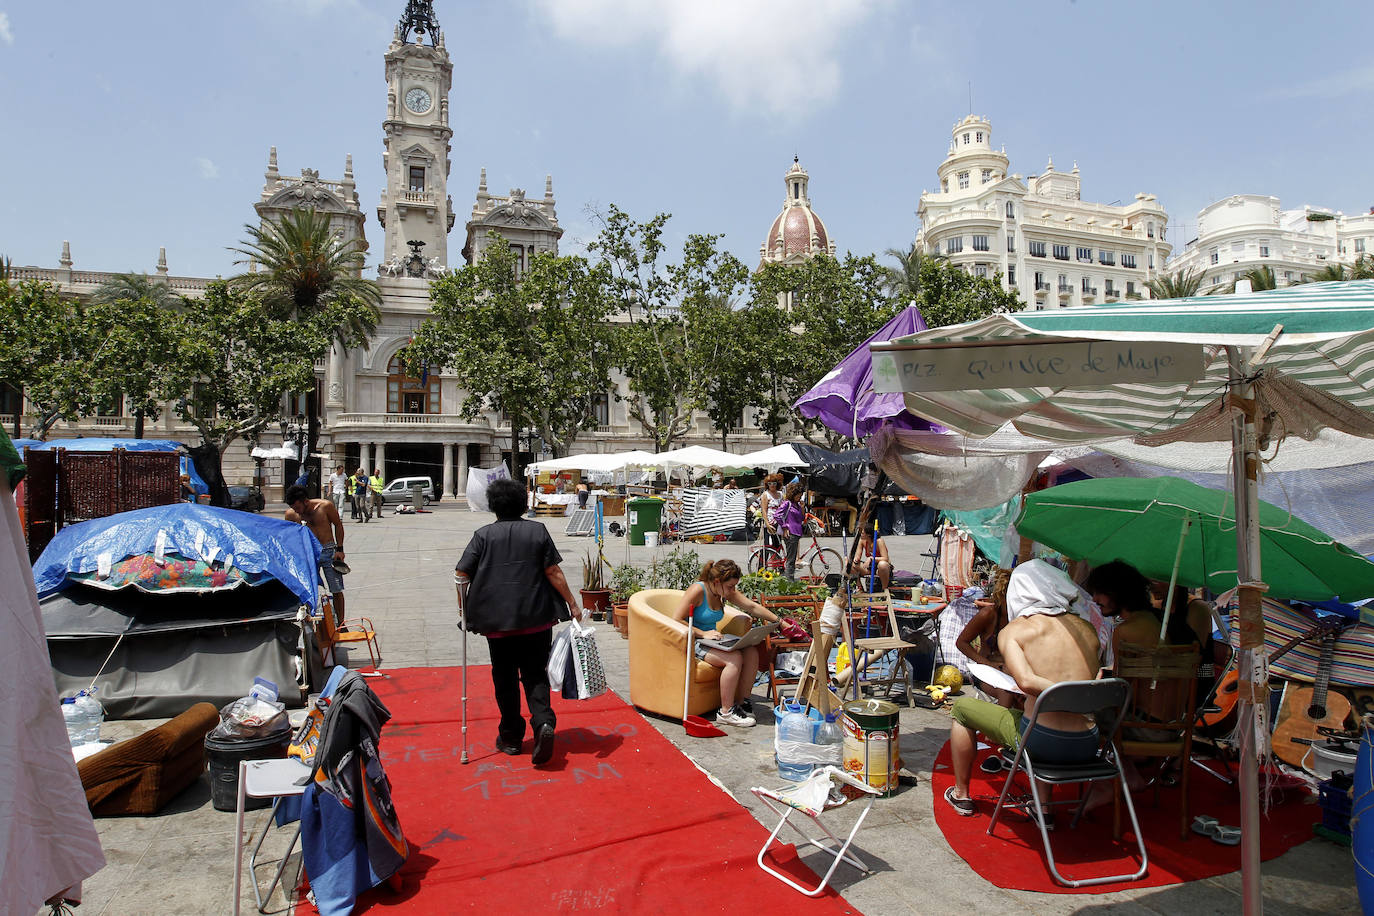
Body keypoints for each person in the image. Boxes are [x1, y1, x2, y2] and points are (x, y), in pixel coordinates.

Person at [943, 561, 1104, 818]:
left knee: (962, 708)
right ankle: (1042, 808)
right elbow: (1096, 677)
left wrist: (1059, 691)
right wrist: (1072, 692)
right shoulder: (1087, 629)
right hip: (1089, 743)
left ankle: (961, 794)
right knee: (1039, 714)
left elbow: (1026, 681)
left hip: (1041, 742)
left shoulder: (1015, 631)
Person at [454, 478, 581, 766]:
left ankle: (511, 737)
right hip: (536, 619)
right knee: (535, 675)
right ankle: (543, 723)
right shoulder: (537, 531)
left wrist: (464, 611)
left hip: (496, 624)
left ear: (493, 506)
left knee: (505, 678)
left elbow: (461, 574)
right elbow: (553, 571)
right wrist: (572, 604)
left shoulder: (483, 535)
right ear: (523, 504)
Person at [672, 559, 780, 727]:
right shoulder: (698, 590)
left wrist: (780, 622)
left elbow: (751, 606)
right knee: (734, 658)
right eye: (730, 587)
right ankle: (726, 712)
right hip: (694, 640)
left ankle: (742, 702)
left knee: (751, 652)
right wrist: (702, 633)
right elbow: (676, 619)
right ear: (717, 582)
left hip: (714, 639)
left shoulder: (723, 590)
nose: (733, 590)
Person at [285, 483, 348, 626]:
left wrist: (340, 549)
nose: (297, 511)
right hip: (307, 554)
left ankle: (341, 624)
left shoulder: (325, 506)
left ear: (305, 501)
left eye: (298, 507)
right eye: (294, 508)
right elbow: (289, 536)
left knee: (336, 589)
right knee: (306, 589)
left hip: (328, 550)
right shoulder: (291, 515)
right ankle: (308, 621)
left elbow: (338, 525)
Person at [772, 481, 806, 579]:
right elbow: (777, 515)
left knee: (792, 558)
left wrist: (802, 508)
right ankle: (789, 580)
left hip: (796, 533)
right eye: (798, 495)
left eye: (801, 496)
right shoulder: (787, 503)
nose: (800, 497)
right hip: (790, 533)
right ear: (793, 494)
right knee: (791, 560)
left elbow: (801, 518)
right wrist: (784, 527)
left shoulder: (797, 505)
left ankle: (790, 578)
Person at [849, 526, 893, 591]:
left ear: (868, 535)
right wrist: (856, 559)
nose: (861, 534)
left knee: (882, 564)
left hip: (881, 569)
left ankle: (885, 590)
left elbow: (885, 558)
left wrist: (872, 558)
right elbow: (857, 556)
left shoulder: (879, 541)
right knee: (851, 565)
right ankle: (860, 588)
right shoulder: (862, 541)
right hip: (870, 568)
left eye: (863, 533)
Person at [757, 474, 784, 551]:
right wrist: (767, 524)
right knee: (768, 545)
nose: (772, 485)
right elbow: (764, 511)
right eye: (769, 483)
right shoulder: (765, 494)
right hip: (769, 522)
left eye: (774, 483)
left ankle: (776, 562)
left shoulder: (780, 494)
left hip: (778, 522)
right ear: (767, 484)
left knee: (777, 544)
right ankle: (762, 563)